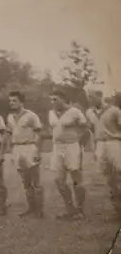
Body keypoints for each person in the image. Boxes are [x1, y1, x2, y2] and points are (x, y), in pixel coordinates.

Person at [49, 90, 89, 220]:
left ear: (63, 99)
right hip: (57, 147)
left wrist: (79, 144)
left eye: (55, 99)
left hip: (72, 146)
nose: (53, 102)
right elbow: (53, 128)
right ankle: (70, 209)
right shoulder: (51, 113)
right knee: (59, 180)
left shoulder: (75, 112)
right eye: (51, 100)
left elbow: (86, 128)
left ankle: (80, 210)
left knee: (76, 178)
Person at [6, 91, 44, 218]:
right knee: (25, 181)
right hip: (17, 148)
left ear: (21, 102)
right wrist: (11, 150)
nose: (11, 103)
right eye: (10, 101)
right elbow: (10, 134)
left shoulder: (31, 115)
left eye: (14, 101)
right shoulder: (10, 117)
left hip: (30, 147)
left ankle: (39, 211)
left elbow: (39, 133)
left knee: (35, 180)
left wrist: (38, 151)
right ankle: (31, 208)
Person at [86, 89, 121, 218]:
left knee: (118, 173)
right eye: (88, 97)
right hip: (100, 145)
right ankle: (118, 210)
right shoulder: (89, 112)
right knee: (109, 177)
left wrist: (114, 135)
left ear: (100, 96)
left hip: (114, 143)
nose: (90, 99)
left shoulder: (114, 110)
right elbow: (93, 131)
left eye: (92, 96)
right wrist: (95, 149)